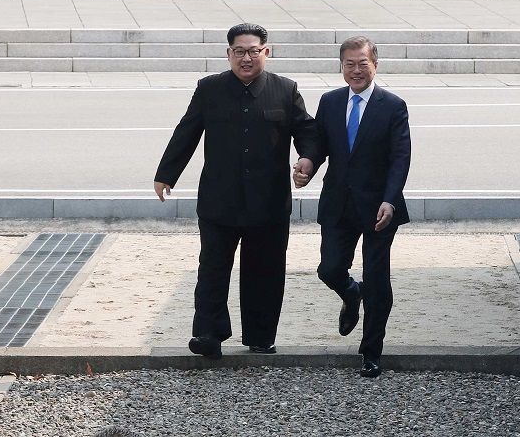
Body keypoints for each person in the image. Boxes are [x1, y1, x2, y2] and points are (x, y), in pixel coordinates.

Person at [154, 23, 317, 359]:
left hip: (268, 202)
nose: (246, 58)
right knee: (212, 269)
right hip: (219, 200)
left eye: (253, 51)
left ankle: (260, 337)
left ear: (266, 53)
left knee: (265, 272)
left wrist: (308, 159)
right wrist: (166, 174)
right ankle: (208, 335)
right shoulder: (209, 89)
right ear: (228, 54)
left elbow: (307, 130)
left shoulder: (285, 90)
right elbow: (187, 131)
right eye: (239, 51)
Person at [293, 36, 411, 378]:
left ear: (375, 65)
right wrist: (307, 164)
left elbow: (400, 158)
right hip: (338, 203)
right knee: (329, 269)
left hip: (379, 208)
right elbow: (319, 144)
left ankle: (371, 351)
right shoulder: (329, 102)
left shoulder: (393, 105)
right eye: (349, 64)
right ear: (341, 66)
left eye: (363, 63)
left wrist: (390, 199)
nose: (356, 70)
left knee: (377, 281)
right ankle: (351, 293)